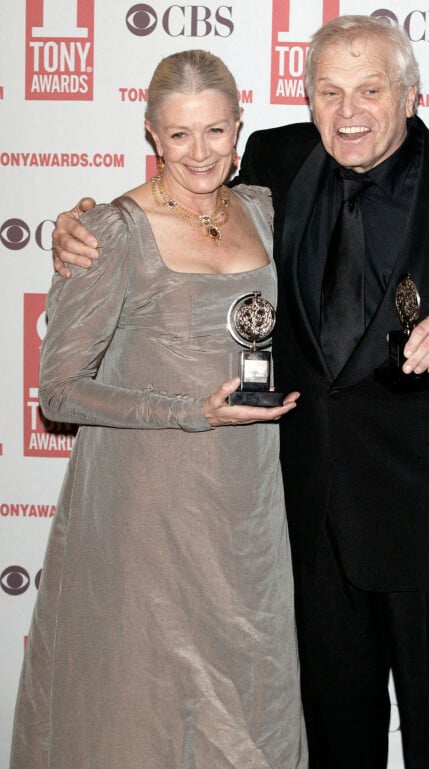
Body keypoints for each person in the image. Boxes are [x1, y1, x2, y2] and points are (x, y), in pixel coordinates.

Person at [51, 16, 429, 769]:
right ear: (306, 99)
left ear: (410, 94)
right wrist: (82, 226)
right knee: (332, 737)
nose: (348, 112)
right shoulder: (274, 159)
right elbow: (184, 202)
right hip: (306, 517)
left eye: (370, 89)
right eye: (328, 91)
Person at [10, 50, 308, 769]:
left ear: (240, 127)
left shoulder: (267, 210)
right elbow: (59, 390)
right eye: (179, 135)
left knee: (249, 694)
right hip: (148, 507)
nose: (200, 153)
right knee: (141, 702)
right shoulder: (112, 231)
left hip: (247, 507)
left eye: (214, 131)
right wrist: (188, 410)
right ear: (150, 134)